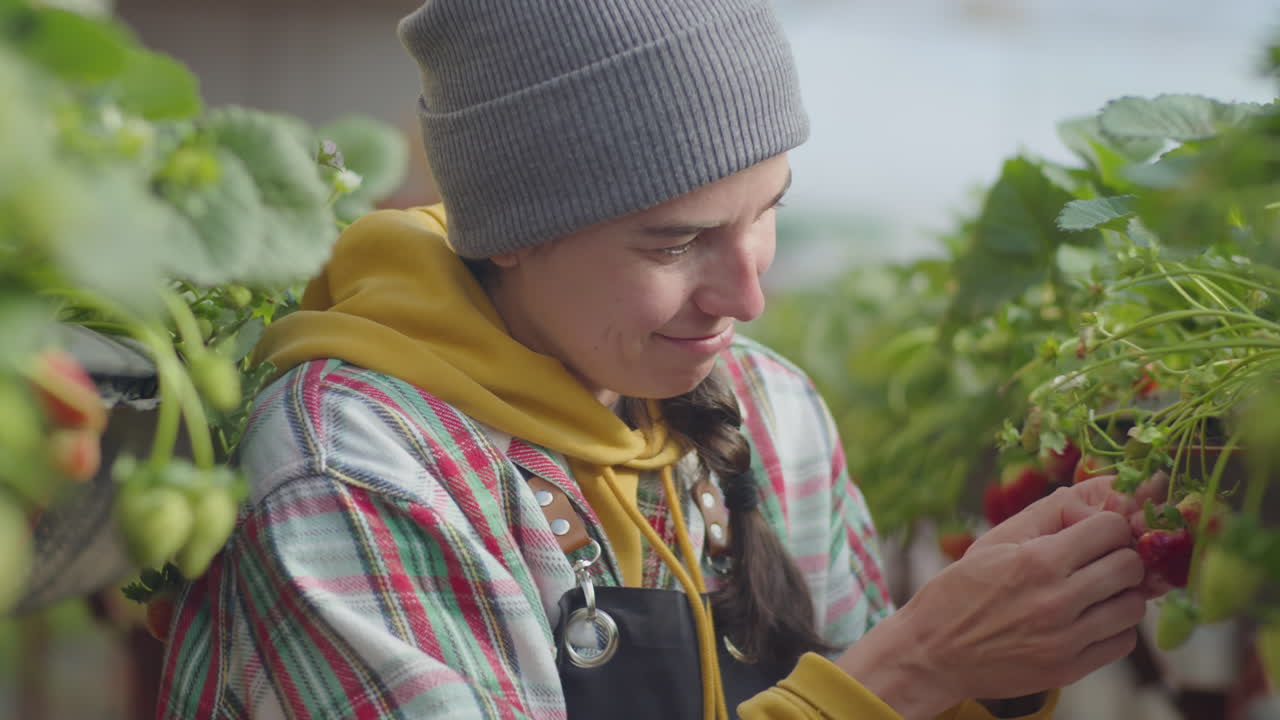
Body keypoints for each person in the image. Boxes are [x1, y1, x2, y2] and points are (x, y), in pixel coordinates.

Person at [157, 1, 1169, 718]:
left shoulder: (767, 412)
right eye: (674, 242)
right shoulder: (354, 467)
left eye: (766, 212)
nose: (748, 296)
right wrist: (907, 669)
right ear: (509, 231)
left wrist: (989, 674)